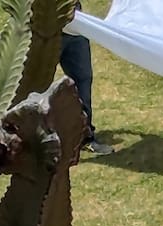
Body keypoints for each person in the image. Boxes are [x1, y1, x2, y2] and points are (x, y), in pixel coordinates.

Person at [61, 1, 114, 155]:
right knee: (38, 86)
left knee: (82, 80)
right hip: (44, 32)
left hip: (76, 28)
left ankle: (84, 137)